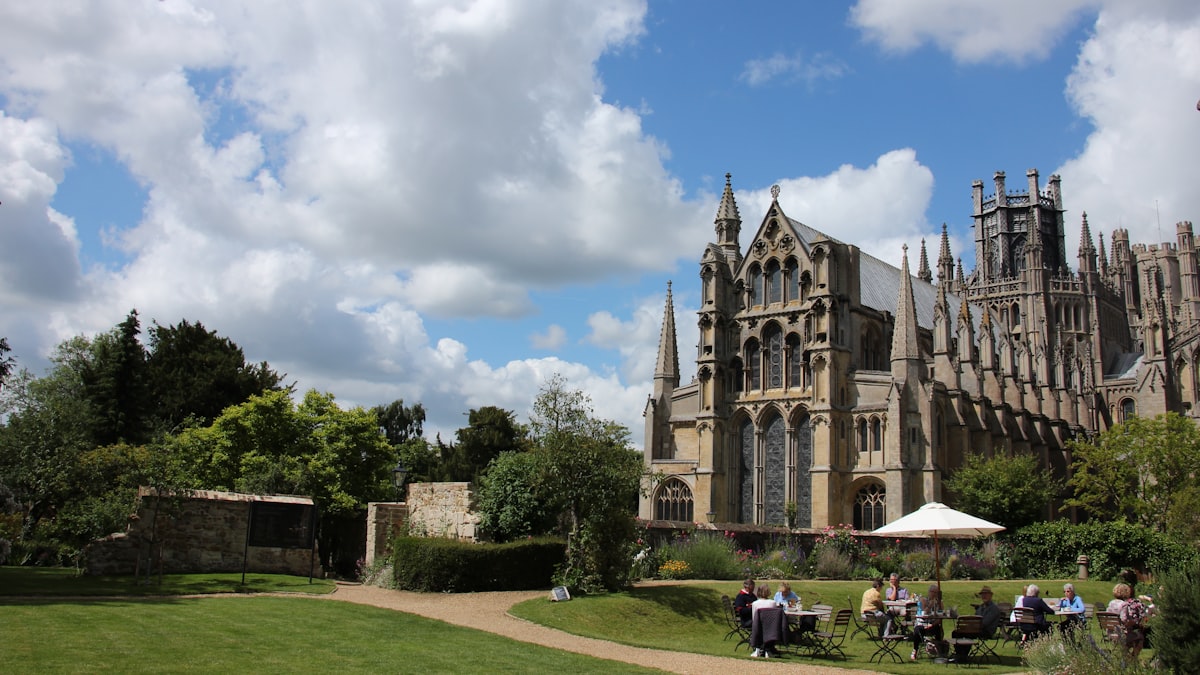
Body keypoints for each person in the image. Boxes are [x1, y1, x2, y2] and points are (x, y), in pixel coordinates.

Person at [910, 584, 944, 661]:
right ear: (929, 592)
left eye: (936, 592)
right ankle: (915, 650)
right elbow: (924, 612)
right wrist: (930, 604)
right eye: (932, 592)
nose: (934, 594)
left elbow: (940, 618)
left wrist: (932, 625)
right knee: (917, 630)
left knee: (938, 629)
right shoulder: (923, 600)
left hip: (933, 624)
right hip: (922, 623)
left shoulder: (939, 603)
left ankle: (939, 651)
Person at [750, 584, 784, 658]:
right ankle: (768, 650)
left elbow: (754, 617)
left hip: (759, 626)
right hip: (771, 628)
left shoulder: (755, 603)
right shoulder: (773, 603)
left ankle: (758, 649)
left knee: (758, 628)